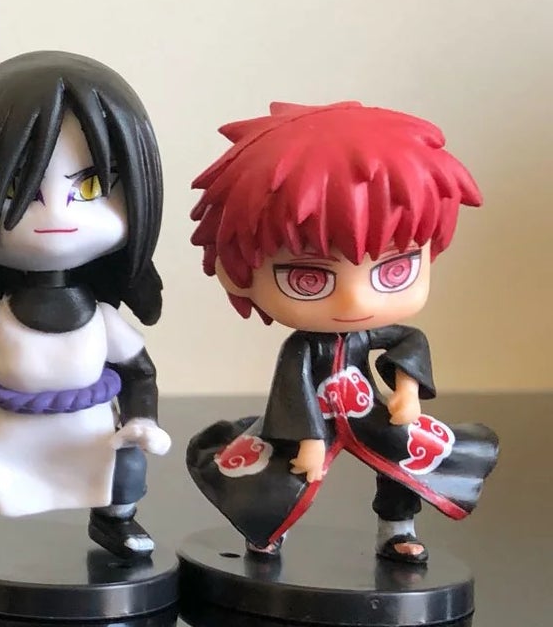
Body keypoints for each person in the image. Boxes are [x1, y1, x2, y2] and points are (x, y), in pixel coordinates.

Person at [187, 101, 495, 561]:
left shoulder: (372, 334)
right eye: (309, 279)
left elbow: (408, 341)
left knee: (404, 457)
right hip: (310, 420)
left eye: (393, 271)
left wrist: (407, 391)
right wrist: (311, 438)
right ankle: (266, 533)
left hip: (368, 409)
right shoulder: (302, 350)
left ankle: (397, 528)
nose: (355, 302)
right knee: (281, 472)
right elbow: (294, 390)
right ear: (237, 274)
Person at [0, 52, 168, 558]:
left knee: (125, 468)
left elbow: (139, 371)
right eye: (18, 189)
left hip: (87, 429)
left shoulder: (102, 321)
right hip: (7, 426)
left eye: (90, 187)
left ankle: (115, 520)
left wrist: (143, 419)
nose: (56, 215)